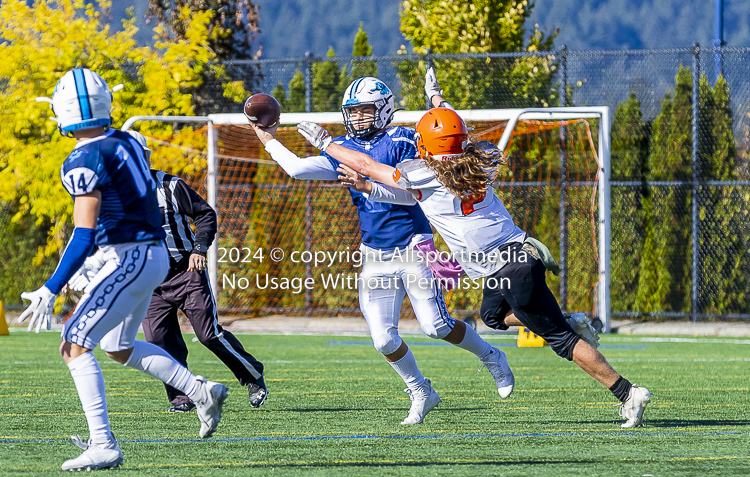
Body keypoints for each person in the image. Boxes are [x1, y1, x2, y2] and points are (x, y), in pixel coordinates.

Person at [297, 91, 653, 429]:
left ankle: (627, 392)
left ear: (426, 146)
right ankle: (567, 320)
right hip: (518, 253)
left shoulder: (422, 174)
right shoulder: (481, 158)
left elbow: (365, 164)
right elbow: (456, 131)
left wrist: (326, 143)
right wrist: (438, 100)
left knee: (561, 341)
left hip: (506, 267)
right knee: (492, 317)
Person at [248, 75, 514, 425]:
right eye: (352, 112)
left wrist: (367, 185)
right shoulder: (343, 146)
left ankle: (492, 356)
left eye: (365, 110)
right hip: (374, 252)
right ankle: (421, 390)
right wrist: (264, 133)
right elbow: (296, 169)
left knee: (436, 326)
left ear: (385, 109)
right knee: (383, 339)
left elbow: (411, 193)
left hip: (415, 245)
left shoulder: (405, 141)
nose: (358, 118)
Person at [22, 68, 228, 472]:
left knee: (73, 343)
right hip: (152, 255)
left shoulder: (82, 159)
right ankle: (200, 391)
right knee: (118, 346)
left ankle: (103, 445)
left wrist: (50, 287)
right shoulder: (128, 141)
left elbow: (82, 234)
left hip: (130, 257)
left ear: (62, 112)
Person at [70, 131, 267, 412]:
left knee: (208, 334)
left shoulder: (170, 186)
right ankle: (183, 397)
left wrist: (199, 249)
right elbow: (94, 233)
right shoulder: (111, 193)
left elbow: (204, 213)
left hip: (185, 270)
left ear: (145, 158)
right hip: (148, 279)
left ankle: (252, 374)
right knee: (159, 339)